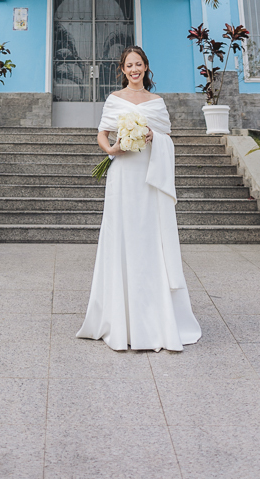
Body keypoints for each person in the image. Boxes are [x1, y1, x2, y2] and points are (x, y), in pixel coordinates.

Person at [77, 46, 201, 352]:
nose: (134, 69)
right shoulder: (114, 99)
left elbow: (167, 137)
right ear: (122, 69)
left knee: (148, 238)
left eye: (138, 64)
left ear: (145, 67)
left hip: (149, 176)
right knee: (122, 236)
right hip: (122, 175)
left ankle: (155, 318)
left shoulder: (157, 102)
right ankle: (119, 319)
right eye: (129, 65)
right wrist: (111, 150)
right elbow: (102, 133)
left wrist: (153, 137)